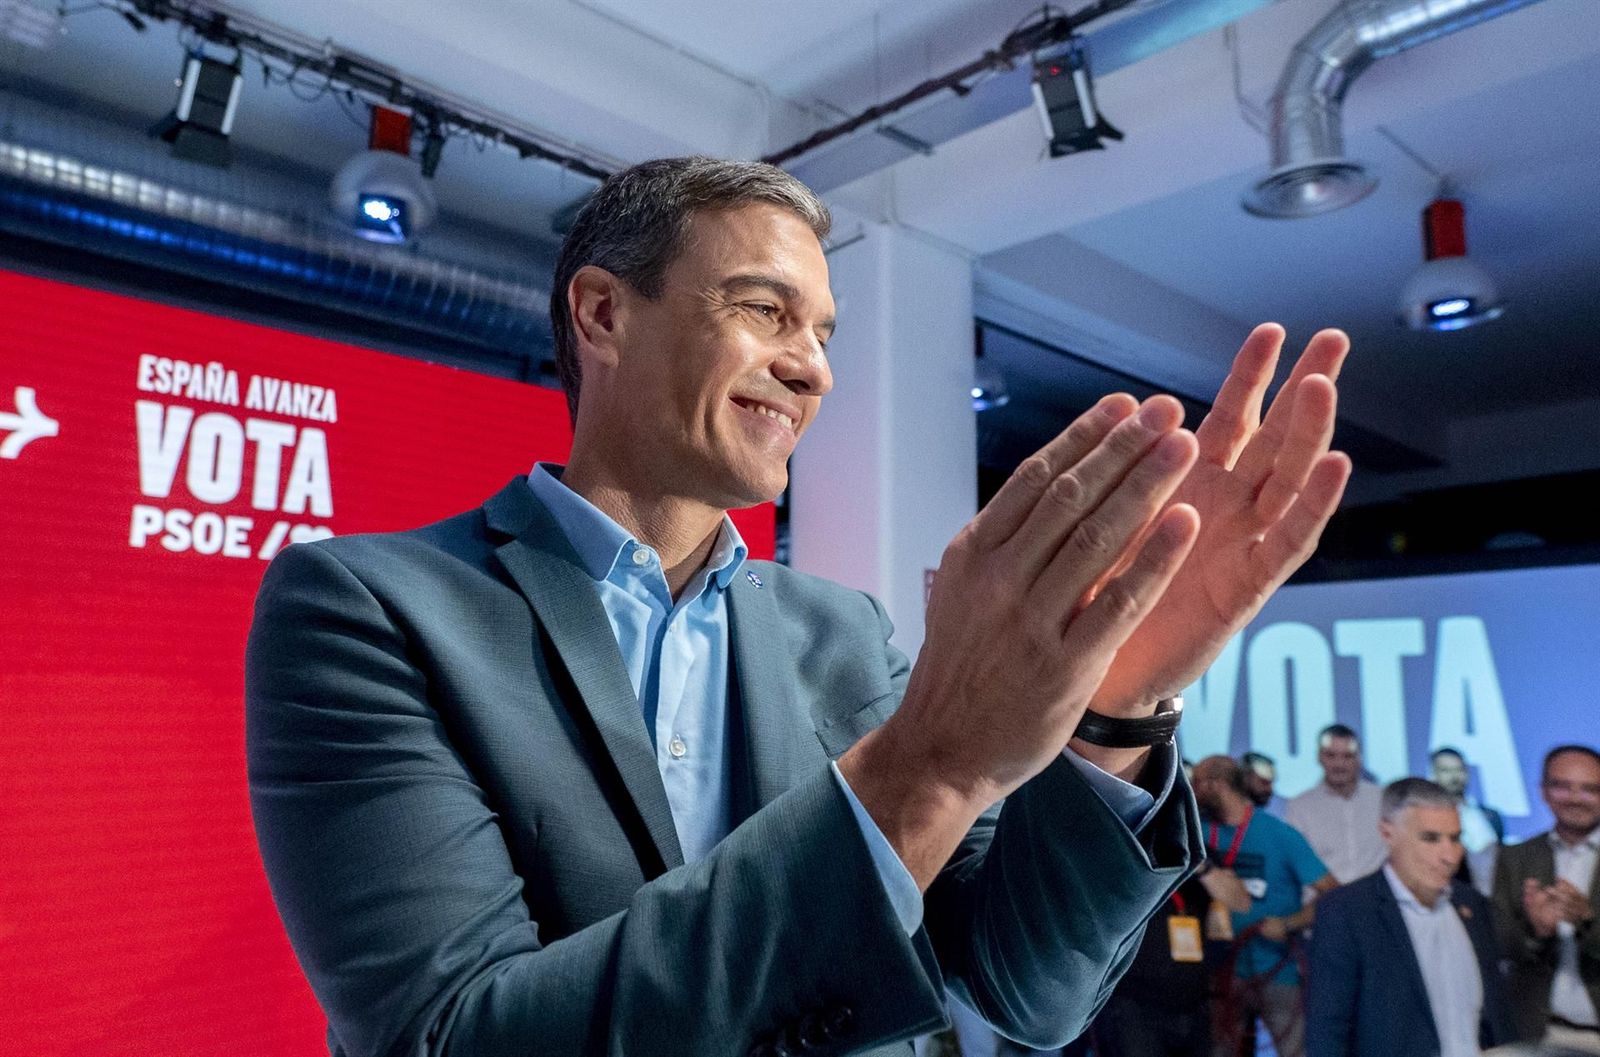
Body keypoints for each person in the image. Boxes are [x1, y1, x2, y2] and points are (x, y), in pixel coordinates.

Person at [244, 157, 1352, 1057]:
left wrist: (1117, 705)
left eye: (822, 333)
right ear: (601, 313)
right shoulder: (370, 608)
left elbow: (1027, 988)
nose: (814, 369)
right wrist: (923, 766)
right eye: (765, 310)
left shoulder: (840, 632)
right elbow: (455, 1037)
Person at [1306, 778, 1516, 1057]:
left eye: (1455, 838)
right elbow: (1327, 1029)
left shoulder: (1472, 905)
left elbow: (1495, 1013)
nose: (1449, 855)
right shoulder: (1347, 912)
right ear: (1387, 833)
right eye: (1430, 838)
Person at [1192, 756, 1337, 1057]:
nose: (1192, 791)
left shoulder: (1279, 834)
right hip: (1220, 972)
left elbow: (1333, 894)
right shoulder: (1199, 832)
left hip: (1277, 969)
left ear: (1216, 785)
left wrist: (1288, 924)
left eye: (1198, 783)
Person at [1090, 849, 1252, 1057]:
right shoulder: (1122, 851)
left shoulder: (1199, 852)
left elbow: (1241, 902)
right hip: (1134, 1004)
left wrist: (1202, 868)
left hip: (1193, 1000)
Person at [1492, 745, 1600, 1053]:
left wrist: (1586, 922)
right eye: (1562, 786)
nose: (1575, 798)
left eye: (1590, 789)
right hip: (1538, 1033)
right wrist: (1536, 932)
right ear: (1543, 791)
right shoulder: (1516, 858)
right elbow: (1499, 944)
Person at [1284, 724, 1385, 884]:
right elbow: (1294, 862)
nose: (1339, 764)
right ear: (1319, 757)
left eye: (1347, 756)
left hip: (1377, 902)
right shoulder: (1300, 807)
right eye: (1331, 755)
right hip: (1323, 902)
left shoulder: (1383, 800)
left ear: (1359, 759)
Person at [1430, 746, 1506, 895]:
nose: (1454, 777)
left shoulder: (1490, 816)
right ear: (1433, 774)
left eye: (1459, 770)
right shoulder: (1429, 820)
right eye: (1445, 770)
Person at [1240, 751, 1286, 816]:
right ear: (1245, 777)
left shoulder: (1272, 824)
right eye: (1264, 782)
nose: (1269, 789)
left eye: (1271, 783)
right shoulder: (1222, 820)